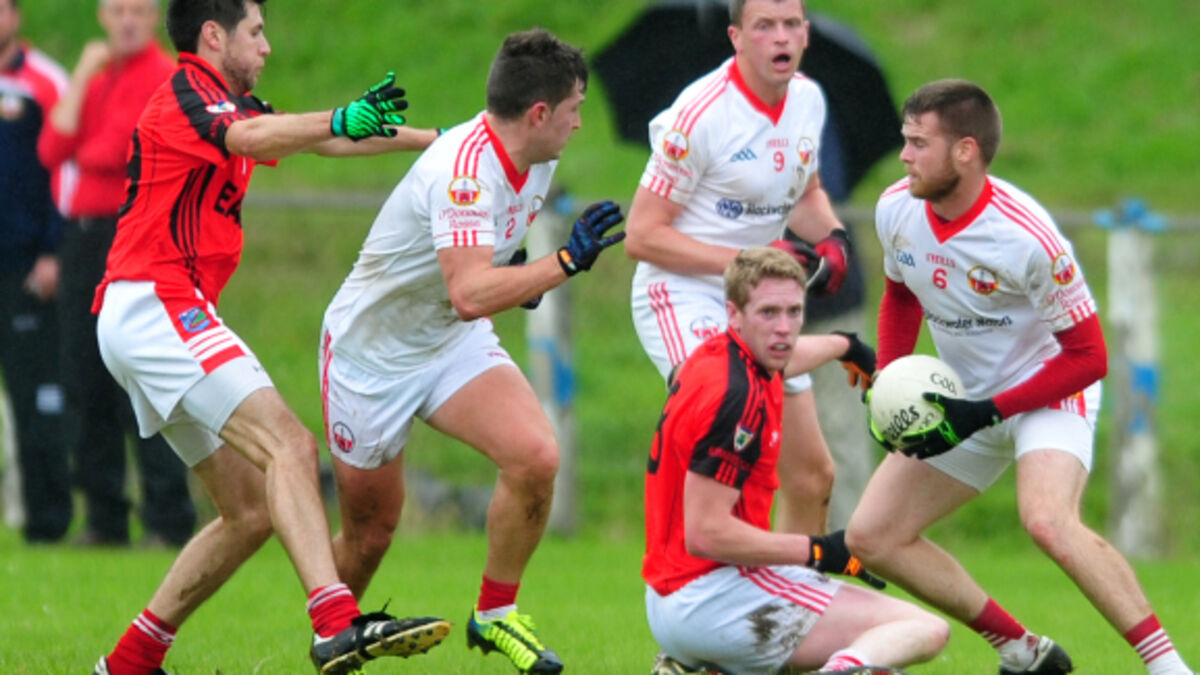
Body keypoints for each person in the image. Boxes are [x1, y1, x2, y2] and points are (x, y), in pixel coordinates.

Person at [90, 0, 452, 673]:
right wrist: (338, 116)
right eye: (256, 33)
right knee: (290, 444)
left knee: (251, 509)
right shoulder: (188, 93)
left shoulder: (231, 104)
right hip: (158, 302)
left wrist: (439, 139)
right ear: (213, 35)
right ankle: (335, 623)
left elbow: (319, 139)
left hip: (149, 312)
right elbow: (253, 139)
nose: (267, 47)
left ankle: (130, 661)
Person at [845, 79, 1196, 675]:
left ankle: (1170, 668)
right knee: (872, 536)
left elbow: (1089, 357)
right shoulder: (896, 208)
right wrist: (890, 382)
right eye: (906, 140)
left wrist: (987, 412)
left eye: (919, 143)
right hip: (961, 400)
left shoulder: (1027, 238)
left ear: (965, 151)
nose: (904, 156)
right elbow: (901, 295)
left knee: (1047, 522)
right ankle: (1022, 650)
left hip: (1048, 391)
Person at [319, 28, 624, 675]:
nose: (579, 122)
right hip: (371, 357)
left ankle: (494, 613)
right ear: (538, 113)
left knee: (536, 456)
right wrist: (563, 263)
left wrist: (525, 277)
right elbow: (469, 292)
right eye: (574, 108)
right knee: (372, 533)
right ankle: (331, 637)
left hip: (448, 342)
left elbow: (487, 273)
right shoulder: (463, 172)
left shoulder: (537, 160)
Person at [642, 246, 948, 675]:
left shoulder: (721, 357)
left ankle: (709, 668)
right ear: (734, 314)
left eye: (794, 311)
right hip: (715, 596)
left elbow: (787, 357)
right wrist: (819, 550)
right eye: (768, 312)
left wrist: (845, 345)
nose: (783, 329)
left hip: (672, 597)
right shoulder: (737, 400)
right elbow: (705, 533)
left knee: (868, 626)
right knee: (922, 628)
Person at [625, 0, 855, 535]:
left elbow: (807, 193)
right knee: (731, 444)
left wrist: (834, 239)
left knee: (812, 476)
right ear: (736, 37)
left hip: (759, 301)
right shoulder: (700, 114)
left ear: (806, 34)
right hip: (683, 292)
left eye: (791, 25)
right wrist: (749, 262)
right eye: (764, 26)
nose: (781, 37)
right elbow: (642, 235)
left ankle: (796, 588)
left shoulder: (808, 99)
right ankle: (698, 578)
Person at [38, 0, 195, 549]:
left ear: (153, 19)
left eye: (138, 10)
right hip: (82, 237)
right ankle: (105, 516)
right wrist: (83, 73)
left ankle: (167, 514)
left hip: (130, 231)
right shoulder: (98, 76)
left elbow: (124, 151)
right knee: (83, 375)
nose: (127, 21)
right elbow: (52, 147)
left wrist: (88, 150)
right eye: (117, 10)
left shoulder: (164, 78)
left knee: (141, 378)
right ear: (102, 17)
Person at [0, 0, 71, 544]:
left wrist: (53, 249)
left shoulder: (45, 81)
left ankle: (47, 521)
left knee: (36, 396)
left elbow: (66, 165)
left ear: (16, 15)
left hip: (23, 265)